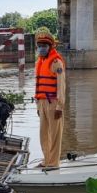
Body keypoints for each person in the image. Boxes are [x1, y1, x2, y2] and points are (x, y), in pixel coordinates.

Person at [34, 31, 66, 168]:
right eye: (39, 45)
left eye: (44, 45)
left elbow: (61, 85)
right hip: (42, 103)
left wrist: (60, 106)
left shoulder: (56, 62)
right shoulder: (40, 62)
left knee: (54, 135)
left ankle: (53, 163)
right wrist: (37, 107)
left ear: (50, 46)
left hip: (53, 102)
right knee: (43, 134)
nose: (41, 48)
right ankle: (46, 159)